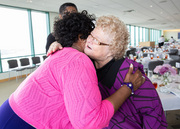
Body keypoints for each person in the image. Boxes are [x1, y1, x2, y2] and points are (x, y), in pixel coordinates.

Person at [0, 11, 144, 129]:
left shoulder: (63, 52)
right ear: (81, 37)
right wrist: (127, 87)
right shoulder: (77, 60)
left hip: (13, 114)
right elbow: (89, 122)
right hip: (21, 122)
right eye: (91, 36)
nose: (91, 41)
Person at [48, 15, 168, 128]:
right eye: (91, 35)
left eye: (97, 41)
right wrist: (59, 45)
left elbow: (154, 115)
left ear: (113, 49)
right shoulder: (85, 64)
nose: (89, 40)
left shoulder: (133, 75)